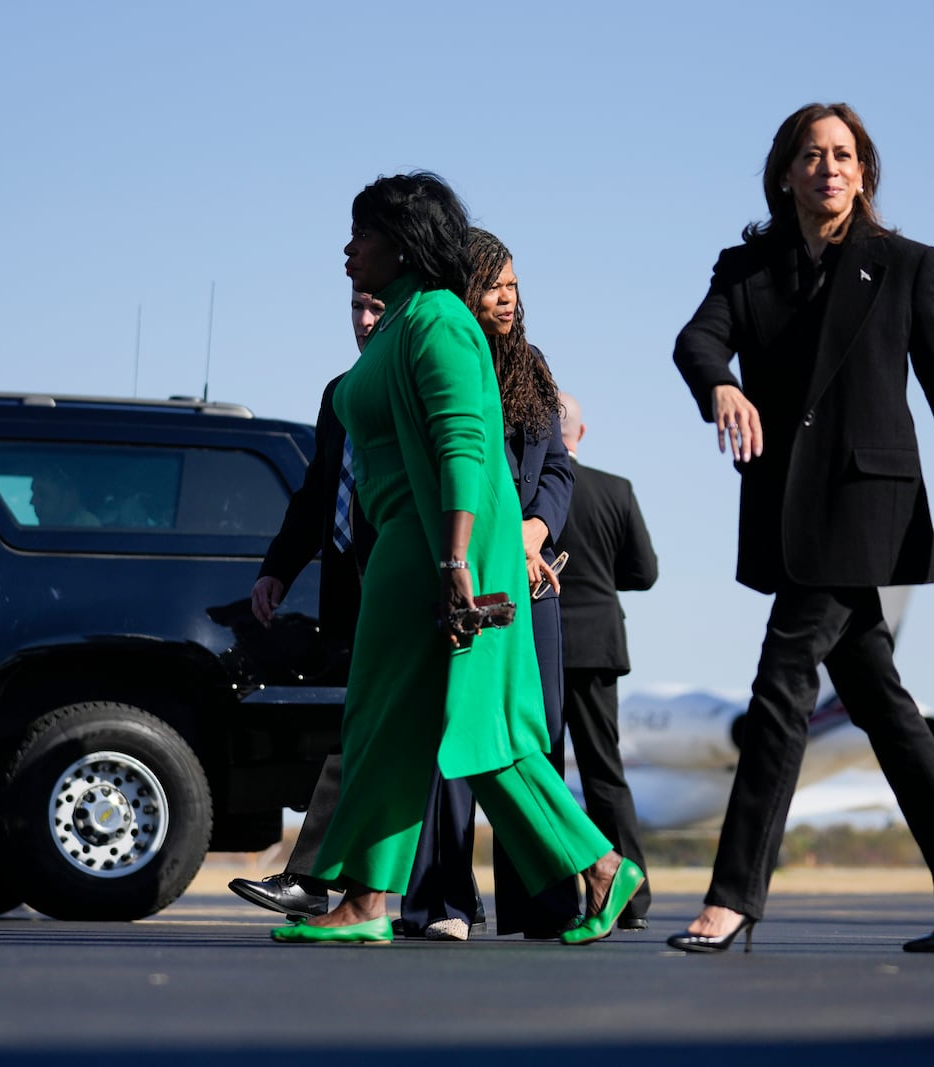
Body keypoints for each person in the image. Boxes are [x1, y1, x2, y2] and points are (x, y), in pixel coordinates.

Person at [669, 103, 934, 954]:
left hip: (867, 506)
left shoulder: (904, 266)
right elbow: (696, 339)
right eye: (813, 155)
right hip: (787, 507)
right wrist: (721, 385)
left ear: (864, 173)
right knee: (877, 700)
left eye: (845, 154)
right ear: (785, 172)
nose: (830, 167)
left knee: (783, 682)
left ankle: (734, 892)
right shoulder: (745, 268)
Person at [271, 171, 641, 945]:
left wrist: (456, 560)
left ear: (403, 243)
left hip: (445, 545)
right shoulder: (406, 317)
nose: (348, 249)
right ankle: (383, 900)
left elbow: (464, 444)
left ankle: (587, 867)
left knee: (462, 723)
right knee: (400, 720)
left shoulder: (437, 319)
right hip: (411, 543)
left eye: (363, 233)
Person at [401, 227, 582, 942]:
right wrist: (500, 543)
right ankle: (441, 901)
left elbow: (560, 469)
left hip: (531, 582)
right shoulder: (443, 357)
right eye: (491, 286)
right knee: (457, 737)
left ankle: (540, 901)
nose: (505, 299)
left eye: (511, 284)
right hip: (471, 572)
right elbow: (458, 467)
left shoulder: (532, 366)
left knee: (534, 736)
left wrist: (536, 530)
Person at [228, 289, 384, 921]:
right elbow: (320, 488)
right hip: (351, 596)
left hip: (413, 585)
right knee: (370, 734)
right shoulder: (340, 393)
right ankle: (333, 884)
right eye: (356, 308)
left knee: (466, 751)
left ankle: (327, 880)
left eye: (377, 307)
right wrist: (278, 570)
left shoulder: (420, 384)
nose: (365, 321)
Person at [553, 391, 658, 928]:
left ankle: (554, 901)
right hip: (599, 645)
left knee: (545, 774)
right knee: (605, 774)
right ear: (582, 432)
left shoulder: (533, 492)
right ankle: (633, 902)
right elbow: (645, 573)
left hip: (541, 646)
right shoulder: (616, 490)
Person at [29, 465, 100, 527]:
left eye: (42, 494)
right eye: (34, 493)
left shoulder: (85, 525)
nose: (32, 502)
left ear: (69, 496)